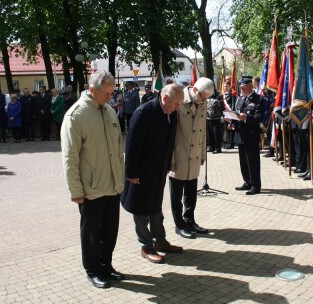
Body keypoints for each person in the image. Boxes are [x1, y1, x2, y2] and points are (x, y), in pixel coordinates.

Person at [61, 70, 124, 289]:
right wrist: (75, 190)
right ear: (91, 90)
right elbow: (70, 157)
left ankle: (106, 265)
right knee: (91, 233)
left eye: (111, 93)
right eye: (105, 93)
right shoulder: (76, 115)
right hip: (90, 188)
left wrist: (120, 180)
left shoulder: (109, 111)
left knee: (110, 231)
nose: (109, 97)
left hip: (112, 185)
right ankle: (93, 270)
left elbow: (117, 150)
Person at [121, 83, 184, 264]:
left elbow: (170, 139)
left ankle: (160, 241)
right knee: (141, 209)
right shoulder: (144, 113)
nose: (178, 107)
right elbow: (132, 145)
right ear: (165, 98)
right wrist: (131, 173)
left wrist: (169, 162)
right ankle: (146, 246)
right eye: (176, 104)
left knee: (155, 206)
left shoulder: (171, 112)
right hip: (141, 172)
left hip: (159, 169)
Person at [170, 78, 214, 240]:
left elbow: (202, 132)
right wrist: (171, 158)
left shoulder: (202, 103)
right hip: (179, 156)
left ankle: (190, 220)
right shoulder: (179, 101)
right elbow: (171, 134)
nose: (204, 101)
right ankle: (179, 224)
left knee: (191, 193)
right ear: (194, 90)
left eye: (206, 98)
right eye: (203, 97)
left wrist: (203, 154)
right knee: (176, 195)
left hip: (194, 156)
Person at [227, 77, 264, 195]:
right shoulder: (240, 99)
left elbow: (259, 118)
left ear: (250, 86)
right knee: (243, 161)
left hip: (251, 135)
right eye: (241, 87)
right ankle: (247, 181)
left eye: (244, 86)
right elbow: (236, 113)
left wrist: (247, 118)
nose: (241, 89)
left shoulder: (259, 99)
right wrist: (230, 120)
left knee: (253, 162)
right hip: (240, 134)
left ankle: (255, 185)